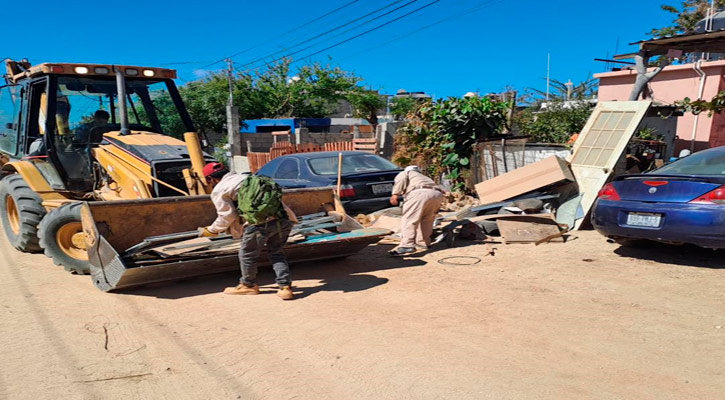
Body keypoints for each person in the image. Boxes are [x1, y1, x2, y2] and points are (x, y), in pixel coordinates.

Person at [199, 162, 298, 300]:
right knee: (276, 253)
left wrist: (212, 230)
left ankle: (248, 285)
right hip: (283, 219)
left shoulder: (220, 189)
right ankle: (285, 287)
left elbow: (227, 215)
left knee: (247, 254)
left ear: (210, 179)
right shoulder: (247, 178)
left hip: (259, 224)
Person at [388, 166, 445, 256]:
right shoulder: (424, 177)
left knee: (409, 220)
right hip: (437, 195)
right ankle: (423, 242)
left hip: (419, 193)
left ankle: (407, 245)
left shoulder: (406, 173)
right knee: (427, 219)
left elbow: (401, 180)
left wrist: (395, 195)